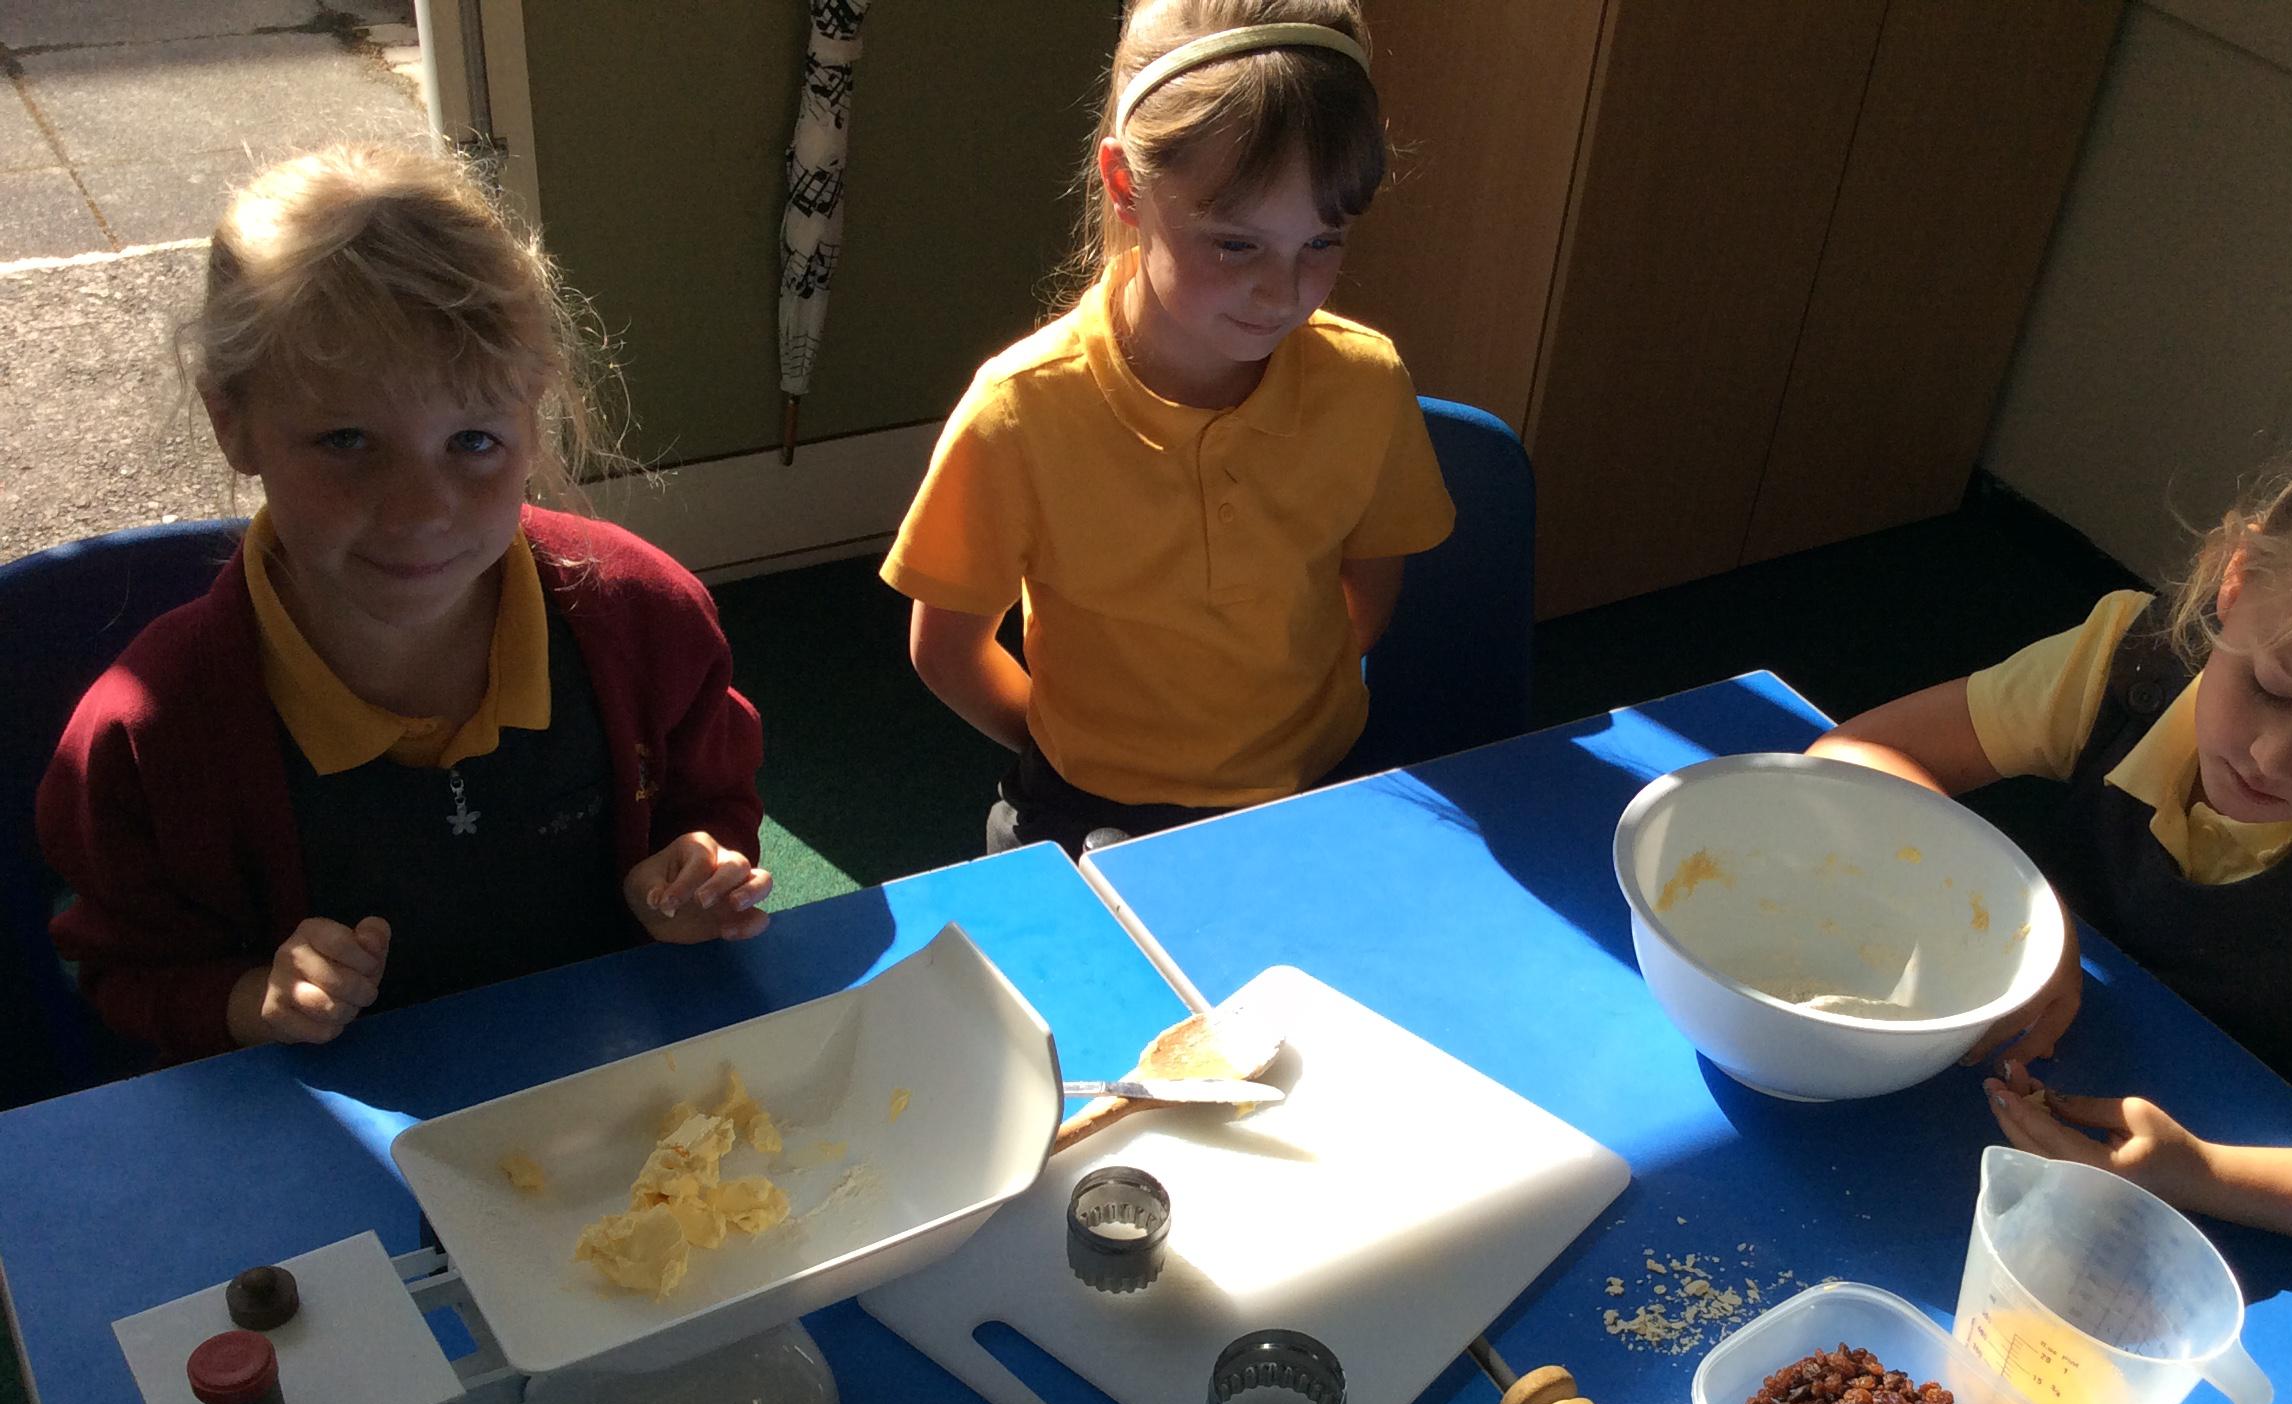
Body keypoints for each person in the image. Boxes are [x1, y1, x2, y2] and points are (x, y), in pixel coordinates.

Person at [39, 144, 771, 1064]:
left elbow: (712, 798)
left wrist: (692, 872)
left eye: (473, 441)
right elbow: (123, 972)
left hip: (616, 1097)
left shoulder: (648, 621)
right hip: (335, 1127)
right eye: (346, 440)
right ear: (234, 422)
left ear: (532, 413)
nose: (421, 512)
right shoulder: (148, 737)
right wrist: (253, 1000)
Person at [1809, 413, 2292, 1277]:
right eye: (2270, 688)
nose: (2273, 759)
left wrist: (2203, 1174)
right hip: (2007, 1134)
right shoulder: (2128, 665)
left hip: (2241, 1237)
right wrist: (2024, 903)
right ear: (2236, 580)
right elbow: (1851, 756)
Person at [881, 0, 1455, 855]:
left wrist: (1275, 725)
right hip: (1083, 804)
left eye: (1322, 241)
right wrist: (1081, 757)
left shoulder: (1366, 384)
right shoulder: (1018, 413)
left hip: (1310, 786)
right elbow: (948, 650)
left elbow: (1370, 578)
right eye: (1236, 244)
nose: (1284, 293)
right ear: (1126, 186)